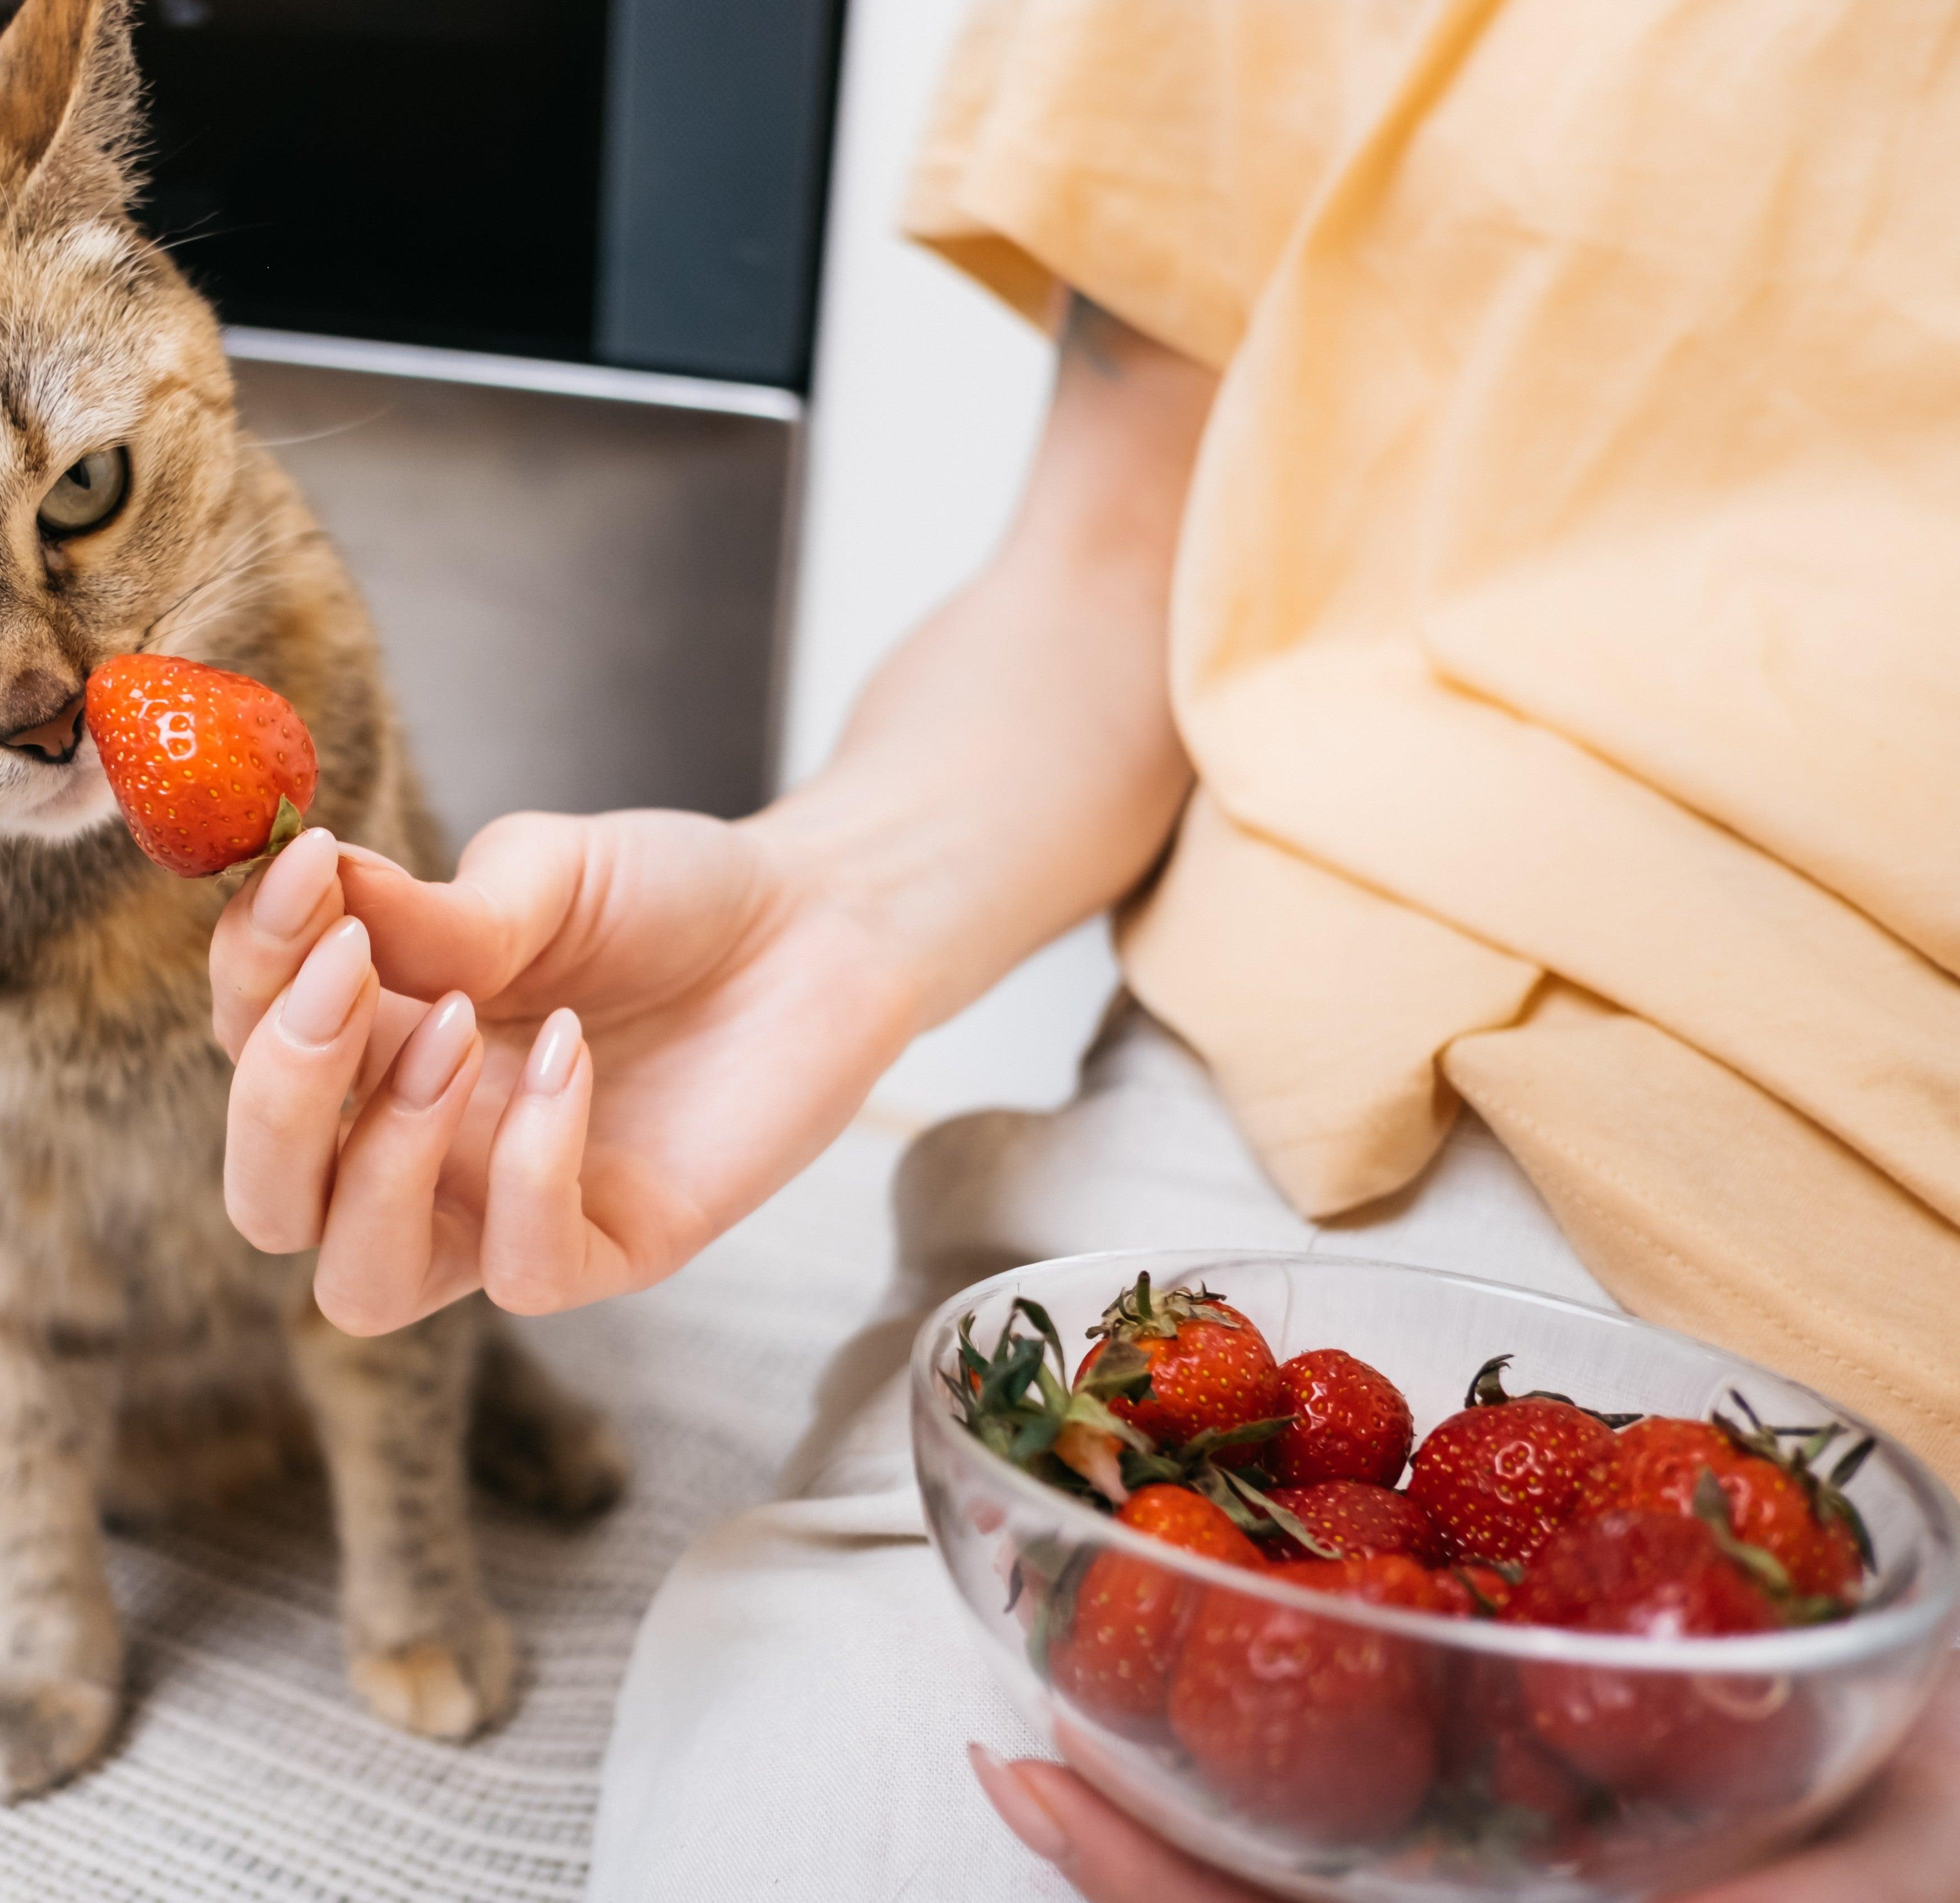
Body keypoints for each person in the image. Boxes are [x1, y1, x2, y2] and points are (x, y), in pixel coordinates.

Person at [209, 0, 1960, 1895]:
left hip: (1905, 1259)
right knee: (814, 1798)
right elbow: (1113, 564)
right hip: (1297, 1107)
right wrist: (829, 907)